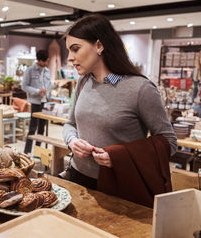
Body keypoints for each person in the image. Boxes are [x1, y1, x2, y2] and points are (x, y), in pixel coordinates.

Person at [63, 14, 177, 190]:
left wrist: (120, 157)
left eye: (75, 49)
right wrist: (72, 141)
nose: (69, 57)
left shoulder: (140, 89)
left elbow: (169, 143)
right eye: (69, 50)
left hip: (119, 185)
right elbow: (70, 124)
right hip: (78, 177)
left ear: (99, 46)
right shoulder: (84, 81)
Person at [22, 50, 54, 154]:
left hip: (45, 103)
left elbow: (49, 86)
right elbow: (24, 86)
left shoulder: (47, 71)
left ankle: (37, 152)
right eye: (43, 61)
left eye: (46, 61)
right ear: (38, 60)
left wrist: (53, 87)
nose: (45, 63)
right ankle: (27, 152)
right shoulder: (30, 70)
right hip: (35, 102)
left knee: (41, 129)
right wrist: (37, 91)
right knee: (32, 128)